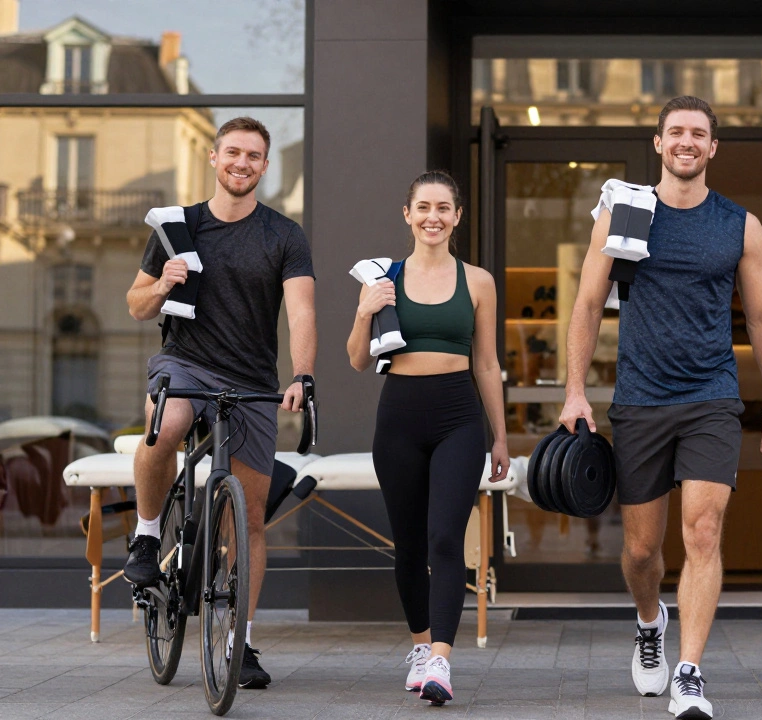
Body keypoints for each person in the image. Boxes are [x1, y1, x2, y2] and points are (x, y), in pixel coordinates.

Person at [559, 95, 762, 720]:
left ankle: (690, 672)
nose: (687, 142)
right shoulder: (626, 215)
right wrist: (575, 390)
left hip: (711, 396)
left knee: (704, 531)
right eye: (676, 132)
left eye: (699, 134)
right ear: (658, 144)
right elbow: (586, 305)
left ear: (713, 148)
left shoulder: (740, 225)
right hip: (639, 399)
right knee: (640, 552)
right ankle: (648, 619)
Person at [124, 117, 316, 689]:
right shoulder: (176, 227)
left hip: (252, 379)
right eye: (233, 152)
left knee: (250, 518)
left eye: (254, 156)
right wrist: (162, 284)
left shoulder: (284, 234)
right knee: (170, 422)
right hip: (184, 362)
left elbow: (301, 311)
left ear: (263, 165)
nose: (242, 163)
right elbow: (135, 305)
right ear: (214, 157)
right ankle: (149, 530)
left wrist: (302, 375)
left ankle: (242, 643)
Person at [346, 170, 508, 706]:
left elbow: (486, 363)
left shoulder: (478, 281)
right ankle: (419, 647)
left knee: (446, 539)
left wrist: (501, 436)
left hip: (459, 417)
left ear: (457, 217)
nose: (433, 217)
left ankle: (441, 658)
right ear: (408, 215)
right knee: (411, 545)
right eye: (423, 208)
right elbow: (354, 358)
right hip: (398, 418)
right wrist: (365, 313)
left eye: (443, 208)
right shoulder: (383, 279)